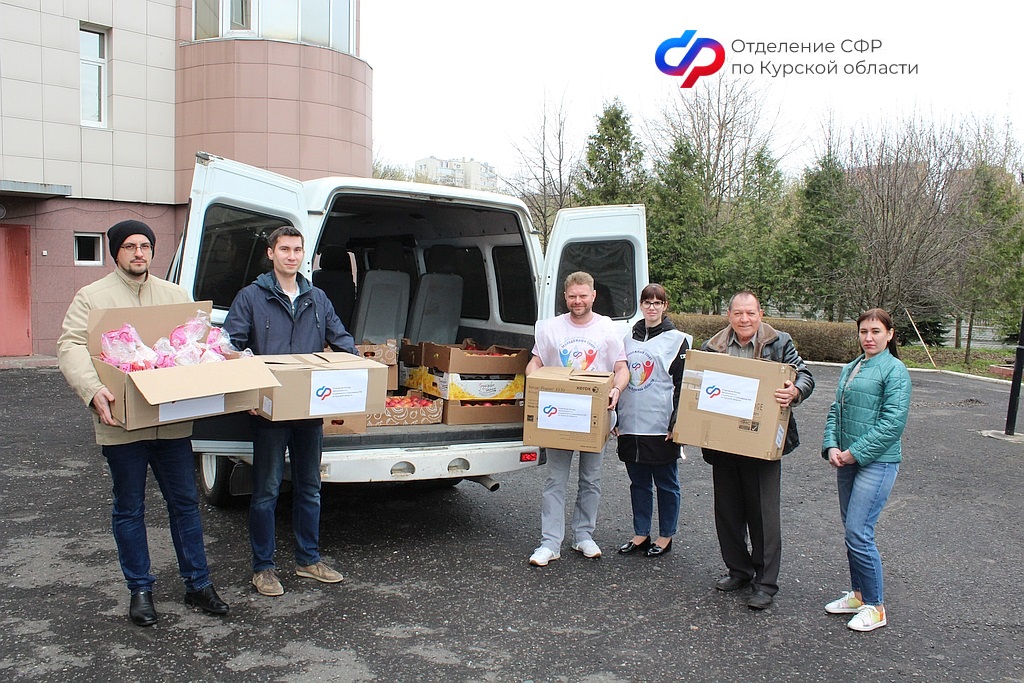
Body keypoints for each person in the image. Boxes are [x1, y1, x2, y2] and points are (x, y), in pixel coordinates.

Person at [56, 220, 229, 627]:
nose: (139, 253)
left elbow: (195, 343)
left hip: (170, 423)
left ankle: (198, 584)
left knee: (185, 504)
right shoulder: (92, 297)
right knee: (129, 508)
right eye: (130, 246)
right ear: (116, 252)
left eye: (145, 246)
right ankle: (140, 589)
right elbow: (70, 345)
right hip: (121, 422)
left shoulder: (173, 295)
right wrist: (93, 390)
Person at [223, 226, 358, 597]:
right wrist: (248, 393)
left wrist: (359, 371)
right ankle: (263, 568)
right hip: (269, 411)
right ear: (271, 253)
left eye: (298, 250)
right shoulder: (251, 297)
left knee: (310, 487)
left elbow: (341, 338)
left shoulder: (317, 297)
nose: (292, 256)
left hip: (310, 407)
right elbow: (230, 347)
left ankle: (308, 559)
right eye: (284, 249)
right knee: (266, 489)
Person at [700, 291, 814, 610]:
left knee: (763, 515)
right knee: (728, 511)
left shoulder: (780, 342)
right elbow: (695, 383)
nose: (745, 319)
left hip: (762, 444)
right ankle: (738, 570)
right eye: (739, 314)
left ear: (760, 313)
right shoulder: (713, 346)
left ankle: (765, 583)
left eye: (750, 313)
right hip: (724, 443)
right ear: (729, 314)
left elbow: (804, 375)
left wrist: (795, 390)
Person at [526, 271, 630, 567]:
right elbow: (536, 362)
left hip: (595, 416)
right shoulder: (551, 329)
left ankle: (584, 535)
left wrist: (617, 390)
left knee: (591, 479)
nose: (578, 301)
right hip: (559, 415)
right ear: (565, 296)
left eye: (583, 295)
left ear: (593, 296)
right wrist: (532, 379)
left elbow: (621, 368)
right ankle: (549, 543)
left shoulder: (607, 329)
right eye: (572, 296)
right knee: (555, 480)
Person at [822, 308, 911, 632]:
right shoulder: (852, 367)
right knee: (852, 530)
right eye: (864, 331)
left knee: (859, 531)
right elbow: (836, 412)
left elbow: (892, 424)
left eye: (875, 331)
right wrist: (832, 446)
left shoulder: (895, 371)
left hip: (877, 462)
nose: (869, 337)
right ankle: (858, 595)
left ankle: (876, 606)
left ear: (889, 334)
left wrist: (853, 453)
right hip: (847, 460)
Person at [615, 284, 691, 558]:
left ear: (665, 306)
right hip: (630, 424)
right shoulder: (625, 338)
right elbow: (615, 375)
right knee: (638, 482)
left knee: (666, 483)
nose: (652, 307)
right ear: (641, 304)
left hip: (660, 425)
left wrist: (677, 423)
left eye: (658, 302)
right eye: (647, 302)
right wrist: (613, 416)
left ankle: (665, 535)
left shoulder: (677, 340)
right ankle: (641, 533)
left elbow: (683, 385)